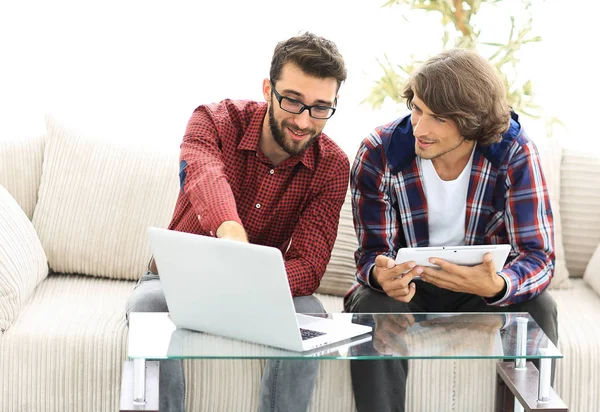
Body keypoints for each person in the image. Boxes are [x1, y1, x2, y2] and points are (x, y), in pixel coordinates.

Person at [125, 32, 349, 412]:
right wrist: (231, 232)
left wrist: (251, 281)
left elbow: (310, 266)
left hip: (266, 291)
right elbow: (204, 176)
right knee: (145, 309)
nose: (303, 120)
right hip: (176, 283)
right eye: (293, 100)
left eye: (320, 108)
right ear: (268, 89)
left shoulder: (332, 166)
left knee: (312, 315)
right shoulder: (212, 121)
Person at [345, 48, 558, 412]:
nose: (420, 128)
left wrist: (499, 284)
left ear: (473, 121)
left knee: (540, 306)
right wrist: (381, 276)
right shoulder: (378, 152)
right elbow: (371, 253)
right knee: (370, 304)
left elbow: (539, 256)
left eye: (438, 118)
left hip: (481, 291)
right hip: (410, 291)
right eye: (417, 109)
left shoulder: (514, 153)